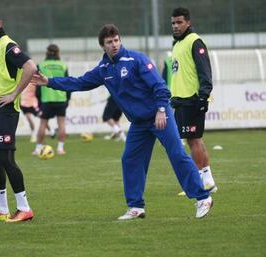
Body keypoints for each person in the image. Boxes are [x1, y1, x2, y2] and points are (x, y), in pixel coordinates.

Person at [31, 24, 213, 220]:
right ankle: (136, 207)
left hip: (160, 115)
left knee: (177, 154)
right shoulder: (103, 69)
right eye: (109, 42)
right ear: (103, 46)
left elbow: (160, 87)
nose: (114, 44)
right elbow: (79, 82)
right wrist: (49, 82)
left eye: (116, 40)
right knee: (130, 160)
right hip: (139, 123)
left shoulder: (136, 59)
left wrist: (161, 110)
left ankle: (203, 197)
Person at [0, 7, 36, 222]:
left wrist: (14, 94)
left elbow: (31, 67)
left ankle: (24, 208)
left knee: (6, 158)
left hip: (5, 111)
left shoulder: (8, 47)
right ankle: (1, 209)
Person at [170, 7, 217, 193]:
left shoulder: (195, 42)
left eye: (179, 22)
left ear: (188, 22)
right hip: (181, 101)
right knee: (194, 140)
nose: (176, 26)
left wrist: (204, 96)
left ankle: (200, 181)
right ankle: (208, 179)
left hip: (192, 99)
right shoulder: (177, 44)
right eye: (173, 22)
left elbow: (205, 71)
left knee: (193, 140)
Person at [32, 44, 69, 155]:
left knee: (43, 123)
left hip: (46, 99)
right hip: (61, 98)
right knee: (61, 123)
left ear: (47, 52)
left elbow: (37, 84)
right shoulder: (63, 65)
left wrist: (38, 100)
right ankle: (60, 149)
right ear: (58, 53)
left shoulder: (41, 65)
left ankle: (38, 149)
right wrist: (68, 99)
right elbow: (68, 83)